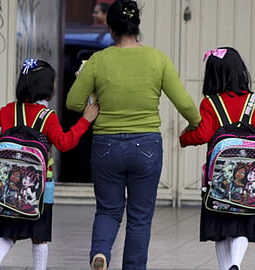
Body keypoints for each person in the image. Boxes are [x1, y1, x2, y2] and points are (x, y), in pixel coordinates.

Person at [66, 1, 201, 269]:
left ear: (110, 29)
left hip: (106, 146)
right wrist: (195, 123)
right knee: (139, 217)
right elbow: (184, 103)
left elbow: (72, 101)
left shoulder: (98, 60)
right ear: (137, 26)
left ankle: (101, 252)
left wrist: (91, 111)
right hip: (146, 147)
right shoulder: (157, 59)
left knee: (108, 210)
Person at [0, 59, 99, 270]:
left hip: (8, 184)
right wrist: (85, 121)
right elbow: (64, 142)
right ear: (46, 88)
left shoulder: (8, 110)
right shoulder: (47, 117)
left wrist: (0, 146)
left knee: (9, 232)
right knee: (39, 236)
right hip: (39, 188)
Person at [179, 47, 255, 270]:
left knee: (221, 228)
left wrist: (184, 138)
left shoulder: (211, 103)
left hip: (220, 181)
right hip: (249, 183)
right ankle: (235, 264)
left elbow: (202, 134)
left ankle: (226, 267)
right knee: (243, 225)